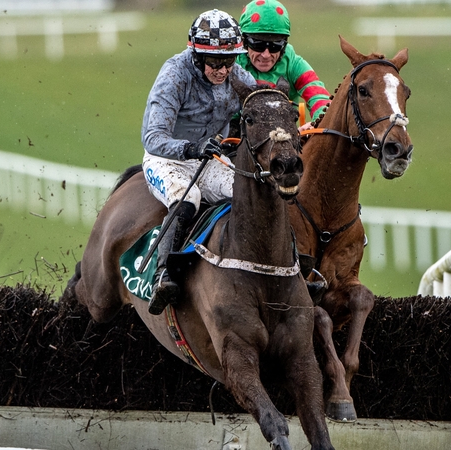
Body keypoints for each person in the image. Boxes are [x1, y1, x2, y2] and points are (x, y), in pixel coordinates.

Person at [141, 9, 256, 315]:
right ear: (196, 55)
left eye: (229, 61)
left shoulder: (240, 78)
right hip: (166, 159)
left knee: (250, 192)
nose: (223, 70)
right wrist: (192, 148)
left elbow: (259, 114)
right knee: (187, 197)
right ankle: (163, 275)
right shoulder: (174, 75)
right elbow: (153, 138)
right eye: (215, 62)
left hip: (209, 157)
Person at [237, 0, 331, 130]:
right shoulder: (232, 62)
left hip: (283, 135)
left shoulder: (293, 63)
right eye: (258, 45)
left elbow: (319, 96)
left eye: (275, 46)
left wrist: (317, 123)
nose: (266, 55)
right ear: (244, 42)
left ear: (284, 46)